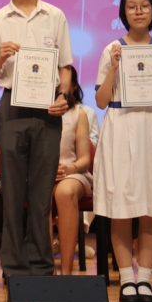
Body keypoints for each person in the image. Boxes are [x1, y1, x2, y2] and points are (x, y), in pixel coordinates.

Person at [0, 0, 72, 278]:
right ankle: (15, 267)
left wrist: (63, 96)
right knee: (13, 191)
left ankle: (42, 267)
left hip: (47, 108)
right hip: (12, 106)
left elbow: (65, 66)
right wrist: (1, 58)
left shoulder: (55, 16)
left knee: (42, 192)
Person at [93, 0, 152, 302]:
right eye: (132, 6)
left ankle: (144, 278)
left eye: (144, 5)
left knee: (150, 206)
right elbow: (101, 100)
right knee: (120, 208)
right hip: (119, 128)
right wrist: (114, 67)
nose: (139, 11)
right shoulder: (111, 49)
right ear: (124, 13)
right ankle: (126, 279)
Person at [53, 73, 92, 275]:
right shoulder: (34, 112)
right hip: (42, 173)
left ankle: (66, 272)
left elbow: (85, 159)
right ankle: (46, 270)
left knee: (66, 192)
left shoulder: (79, 113)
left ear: (73, 85)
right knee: (40, 191)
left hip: (72, 172)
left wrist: (70, 168)